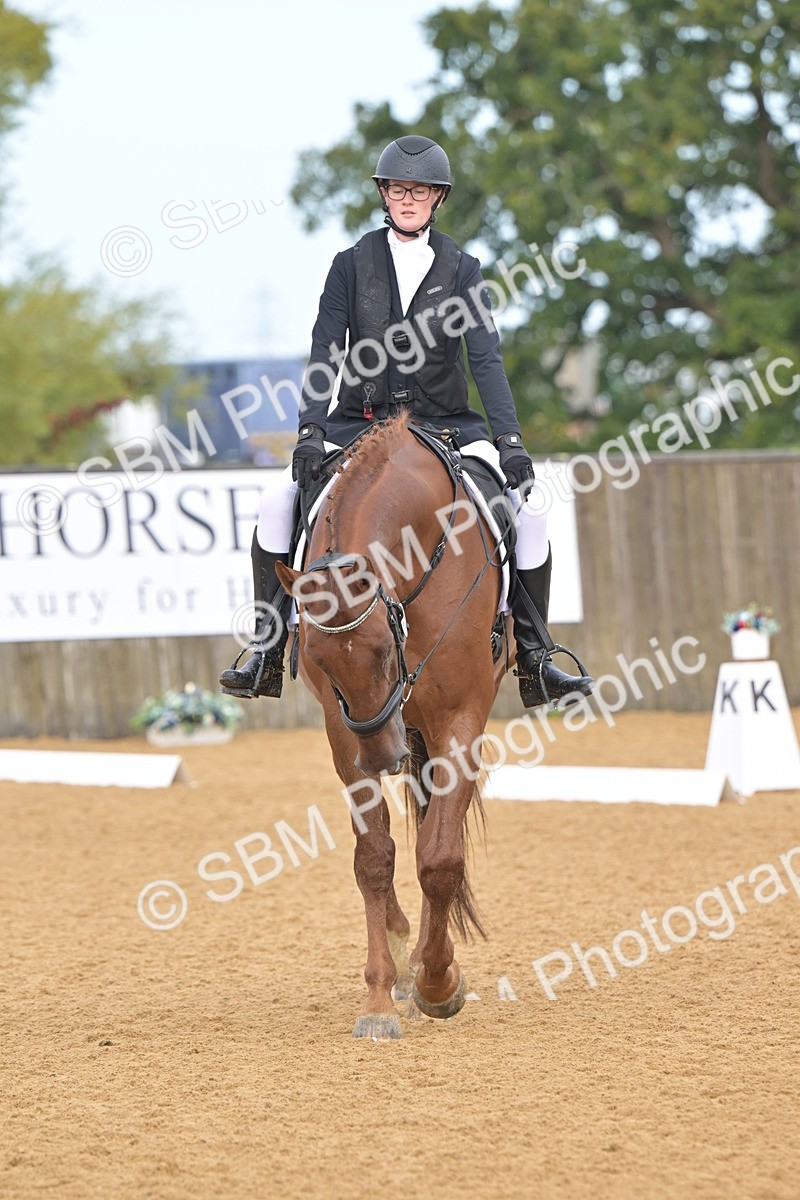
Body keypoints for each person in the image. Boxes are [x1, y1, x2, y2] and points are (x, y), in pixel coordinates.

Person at [220, 134, 593, 708]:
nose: (408, 200)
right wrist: (310, 430)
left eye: (419, 192)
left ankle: (536, 657)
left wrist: (509, 439)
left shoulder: (463, 270)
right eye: (398, 191)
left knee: (533, 514)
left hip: (448, 428)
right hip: (359, 427)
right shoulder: (350, 266)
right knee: (276, 505)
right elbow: (326, 351)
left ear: (437, 198)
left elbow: (485, 359)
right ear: (384, 195)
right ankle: (267, 650)